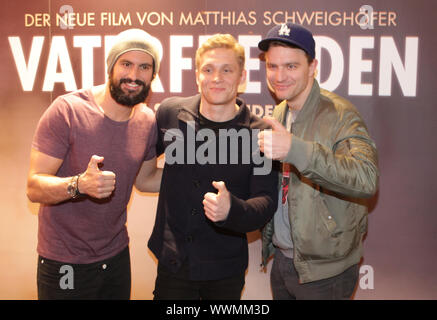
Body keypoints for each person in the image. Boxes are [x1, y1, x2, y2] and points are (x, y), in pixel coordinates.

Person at [26, 28, 162, 300]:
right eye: (126, 64)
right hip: (64, 261)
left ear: (153, 75)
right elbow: (34, 186)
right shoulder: (68, 110)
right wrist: (79, 185)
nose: (134, 76)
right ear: (111, 67)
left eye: (144, 67)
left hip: (115, 256)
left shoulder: (147, 120)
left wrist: (198, 172)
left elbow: (146, 179)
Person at [148, 34, 278, 300]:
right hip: (173, 264)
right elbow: (140, 158)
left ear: (242, 77)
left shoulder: (260, 134)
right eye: (208, 69)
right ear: (197, 75)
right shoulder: (170, 113)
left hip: (224, 270)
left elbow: (266, 201)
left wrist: (234, 209)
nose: (216, 77)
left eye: (226, 70)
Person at [257, 23, 379, 300]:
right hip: (285, 260)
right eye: (272, 66)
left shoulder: (340, 114)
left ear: (312, 67)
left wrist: (296, 150)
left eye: (291, 66)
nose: (279, 76)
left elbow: (366, 178)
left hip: (326, 273)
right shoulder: (280, 111)